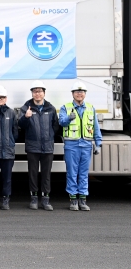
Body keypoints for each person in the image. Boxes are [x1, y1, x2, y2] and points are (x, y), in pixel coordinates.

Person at [58, 81, 102, 211]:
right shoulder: (65, 107)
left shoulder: (90, 108)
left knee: (83, 173)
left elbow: (95, 127)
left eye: (82, 92)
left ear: (85, 94)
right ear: (72, 94)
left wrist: (98, 143)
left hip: (86, 145)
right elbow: (61, 122)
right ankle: (73, 201)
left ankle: (83, 200)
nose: (79, 94)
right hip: (71, 145)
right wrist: (68, 118)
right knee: (72, 173)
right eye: (77, 92)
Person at [17, 80, 60, 211]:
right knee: (33, 173)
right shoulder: (26, 108)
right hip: (32, 146)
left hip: (47, 147)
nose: (37, 94)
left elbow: (55, 126)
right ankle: (34, 198)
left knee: (46, 174)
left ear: (44, 93)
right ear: (32, 93)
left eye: (40, 91)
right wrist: (26, 117)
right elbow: (20, 125)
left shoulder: (50, 108)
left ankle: (46, 200)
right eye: (35, 91)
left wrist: (49, 137)